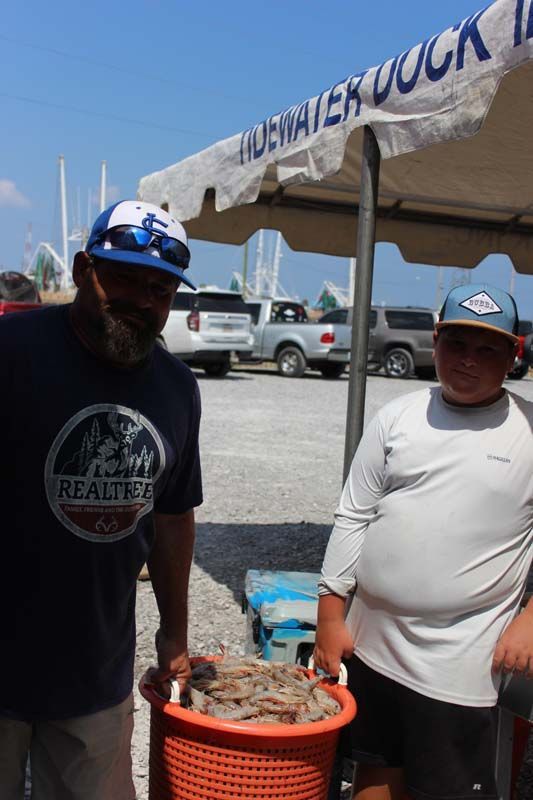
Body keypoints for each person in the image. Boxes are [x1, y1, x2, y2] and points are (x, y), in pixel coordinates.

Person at [0, 200, 203, 800]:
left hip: (94, 677)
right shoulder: (10, 352)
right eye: (124, 278)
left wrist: (174, 634)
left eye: (161, 289)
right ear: (83, 267)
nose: (144, 301)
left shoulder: (176, 389)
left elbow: (172, 519)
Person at [314, 283, 533, 800]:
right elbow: (354, 514)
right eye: (456, 343)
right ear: (434, 341)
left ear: (514, 354)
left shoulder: (528, 430)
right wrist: (329, 616)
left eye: (488, 349)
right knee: (375, 771)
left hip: (463, 660)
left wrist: (531, 617)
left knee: (451, 788)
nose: (468, 361)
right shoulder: (398, 416)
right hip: (373, 643)